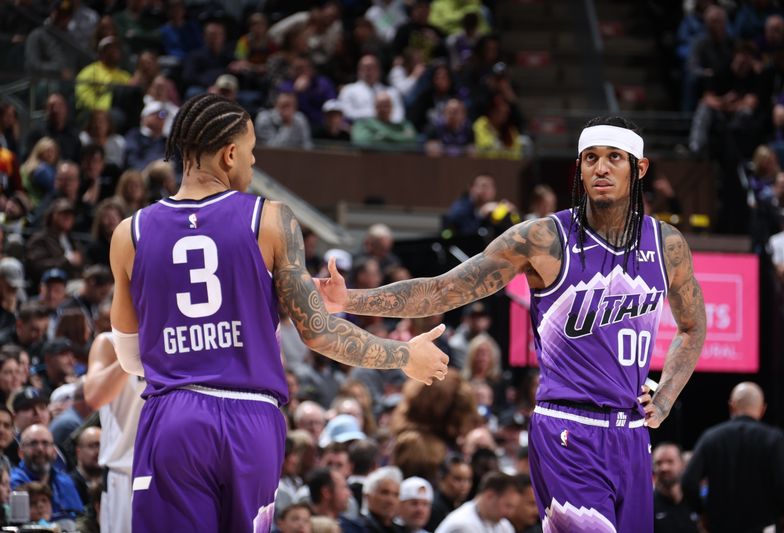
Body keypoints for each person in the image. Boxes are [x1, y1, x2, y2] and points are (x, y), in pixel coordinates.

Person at [317, 116, 707, 532]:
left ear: (639, 168)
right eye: (591, 158)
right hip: (568, 429)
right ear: (580, 167)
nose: (602, 168)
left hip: (631, 434)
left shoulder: (666, 244)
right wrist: (350, 299)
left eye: (615, 158)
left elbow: (692, 326)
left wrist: (664, 397)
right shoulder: (543, 239)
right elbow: (443, 290)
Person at [108, 93, 449, 532]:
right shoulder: (270, 219)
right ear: (230, 154)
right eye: (251, 154)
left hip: (175, 416)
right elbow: (321, 333)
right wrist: (403, 355)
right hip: (250, 422)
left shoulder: (128, 233)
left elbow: (131, 358)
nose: (252, 167)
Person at [682, 382, 784, 532]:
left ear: (731, 406)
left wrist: (702, 513)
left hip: (720, 526)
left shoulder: (711, 437)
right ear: (762, 409)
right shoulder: (775, 439)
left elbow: (688, 482)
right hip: (763, 526)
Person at [83, 332, 145, 533]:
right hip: (125, 474)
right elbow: (94, 396)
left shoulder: (175, 338)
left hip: (172, 470)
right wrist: (135, 349)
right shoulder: (108, 342)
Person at [652, 443, 698, 533]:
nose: (664, 468)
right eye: (658, 463)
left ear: (683, 464)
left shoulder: (695, 501)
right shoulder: (648, 505)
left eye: (670, 461)